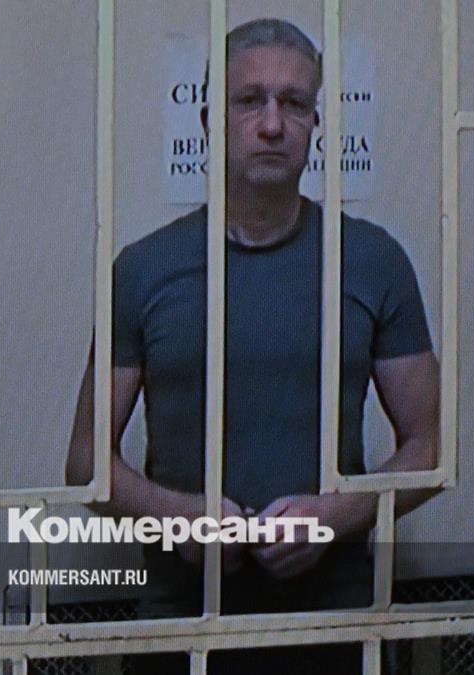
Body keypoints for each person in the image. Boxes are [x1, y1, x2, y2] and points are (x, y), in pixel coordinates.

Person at [65, 18, 440, 673]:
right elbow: (85, 460)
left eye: (293, 103)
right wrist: (180, 518)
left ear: (316, 123)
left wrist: (333, 516)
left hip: (335, 625)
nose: (272, 124)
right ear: (210, 121)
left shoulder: (372, 260)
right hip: (180, 627)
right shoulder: (144, 269)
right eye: (249, 101)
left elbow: (429, 446)